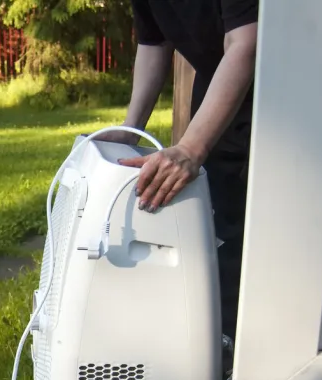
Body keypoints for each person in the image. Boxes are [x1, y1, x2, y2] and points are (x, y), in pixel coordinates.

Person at [99, 0, 259, 344]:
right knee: (224, 238)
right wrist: (131, 129)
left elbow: (247, 41)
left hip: (283, 105)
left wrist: (191, 148)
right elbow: (153, 44)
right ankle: (222, 354)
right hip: (219, 105)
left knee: (262, 245)